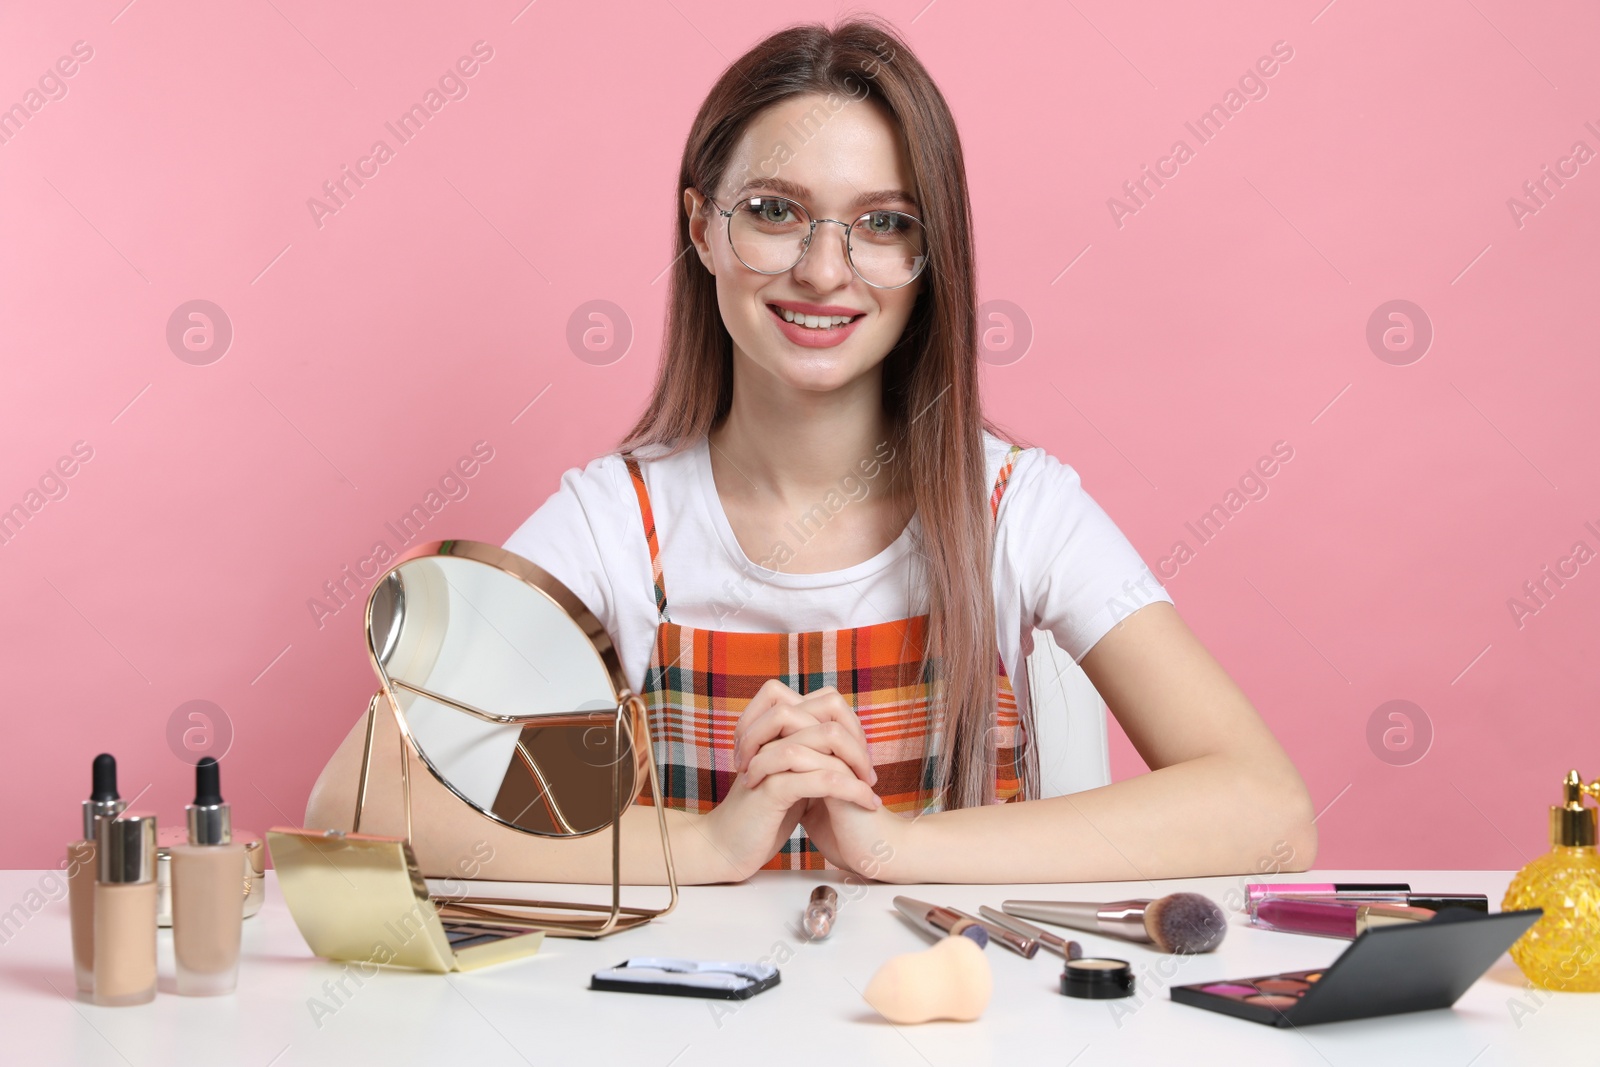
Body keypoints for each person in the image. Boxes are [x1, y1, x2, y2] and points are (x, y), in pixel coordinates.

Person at [306, 16, 1316, 885]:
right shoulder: (616, 521)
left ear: (929, 262)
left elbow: (1268, 810)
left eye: (881, 224)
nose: (825, 269)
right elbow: (354, 802)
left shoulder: (1018, 505)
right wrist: (709, 841)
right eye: (776, 211)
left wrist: (889, 846)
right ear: (702, 228)